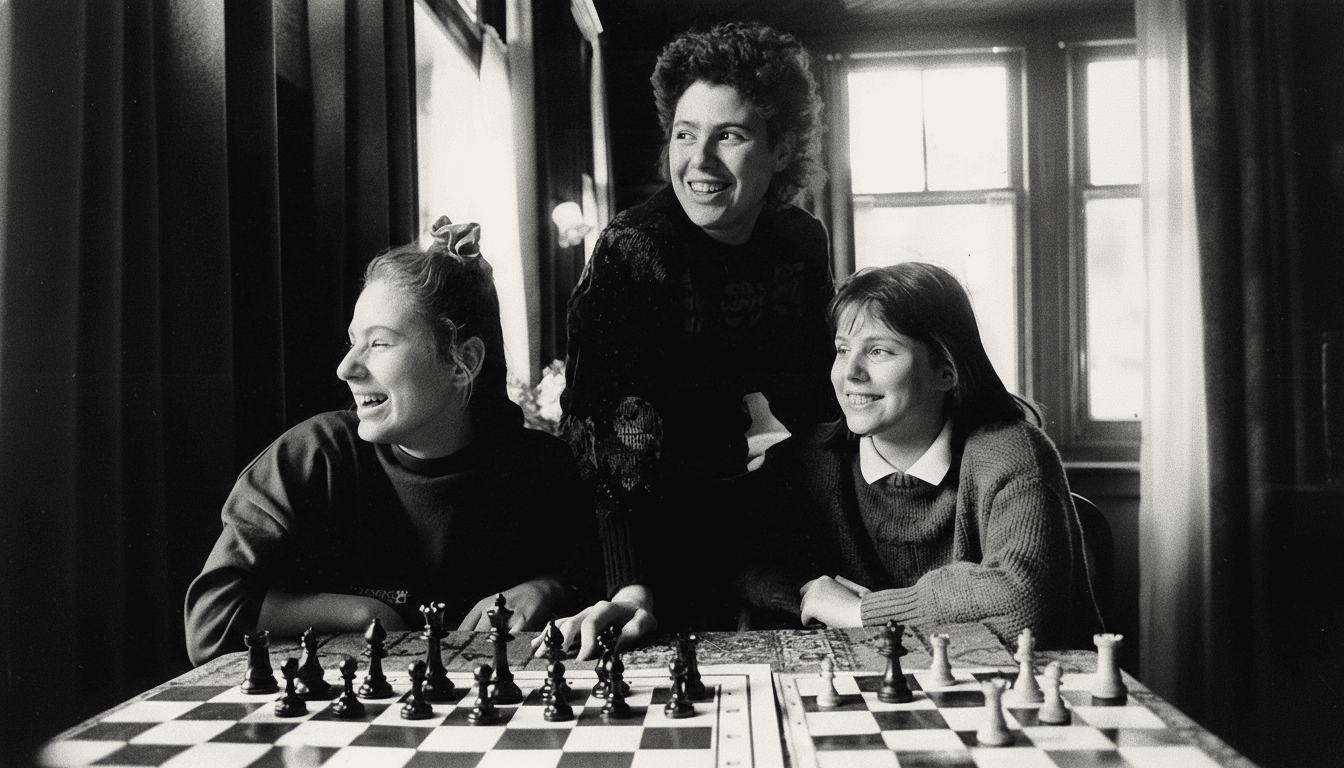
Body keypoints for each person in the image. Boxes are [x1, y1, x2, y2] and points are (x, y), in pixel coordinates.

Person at [184, 218, 601, 665]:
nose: (347, 368)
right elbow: (209, 623)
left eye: (379, 344)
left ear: (464, 362)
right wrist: (363, 611)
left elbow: (610, 583)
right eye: (352, 342)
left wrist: (551, 589)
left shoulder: (544, 469)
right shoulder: (313, 457)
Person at [549, 21, 837, 659]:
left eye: (728, 135)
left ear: (782, 147)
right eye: (685, 134)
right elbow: (607, 434)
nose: (698, 163)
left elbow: (817, 397)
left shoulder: (800, 241)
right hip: (627, 525)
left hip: (742, 504)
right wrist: (631, 583)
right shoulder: (634, 251)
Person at [731, 263, 1103, 648]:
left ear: (946, 371)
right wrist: (808, 592)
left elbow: (1024, 604)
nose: (850, 373)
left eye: (879, 351)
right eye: (843, 350)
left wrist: (861, 612)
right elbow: (730, 554)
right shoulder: (808, 460)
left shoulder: (1011, 451)